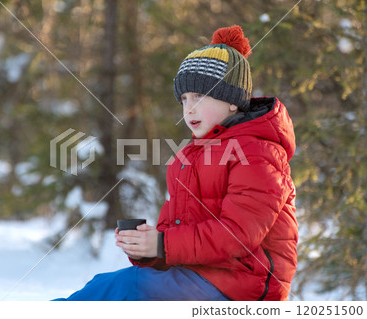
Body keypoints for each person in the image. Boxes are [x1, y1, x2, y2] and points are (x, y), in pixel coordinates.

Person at [53, 25, 298, 301]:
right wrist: (150, 250)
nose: (189, 108)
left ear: (233, 102)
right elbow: (180, 236)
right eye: (184, 99)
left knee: (127, 287)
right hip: (201, 276)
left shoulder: (258, 152)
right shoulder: (189, 157)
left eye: (199, 97)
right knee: (110, 286)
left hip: (243, 287)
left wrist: (162, 243)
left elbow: (238, 235)